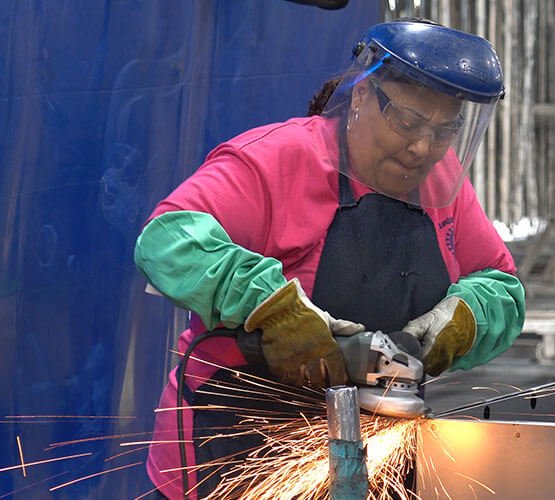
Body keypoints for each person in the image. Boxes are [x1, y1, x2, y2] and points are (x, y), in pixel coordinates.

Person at [133, 18, 525, 498]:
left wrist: (465, 317)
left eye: (443, 131)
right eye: (407, 123)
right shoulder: (278, 159)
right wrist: (269, 306)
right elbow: (167, 239)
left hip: (373, 448)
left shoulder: (440, 181)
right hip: (235, 445)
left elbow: (500, 284)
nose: (422, 148)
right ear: (361, 96)